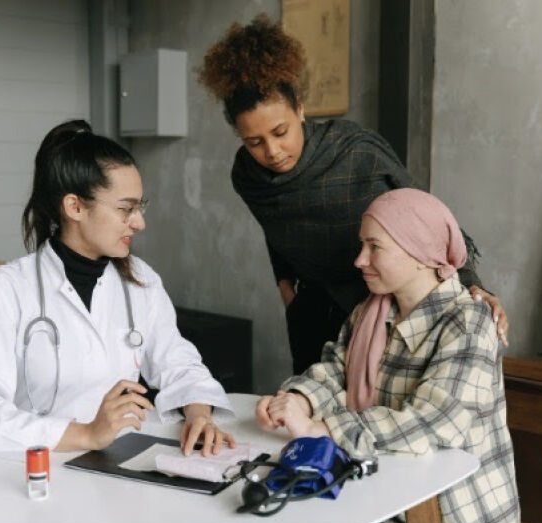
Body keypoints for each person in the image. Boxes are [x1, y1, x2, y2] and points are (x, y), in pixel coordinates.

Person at [198, 15, 509, 375]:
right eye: (254, 141)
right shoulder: (247, 175)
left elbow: (427, 221)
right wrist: (285, 286)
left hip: (379, 299)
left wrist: (473, 285)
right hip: (312, 308)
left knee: (373, 406)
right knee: (310, 401)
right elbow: (276, 230)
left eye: (281, 131)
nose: (272, 151)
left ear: (300, 108)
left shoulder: (354, 151)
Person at [0, 120, 235, 456]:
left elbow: (178, 362)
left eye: (140, 207)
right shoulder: (4, 291)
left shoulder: (140, 280)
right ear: (75, 207)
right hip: (37, 470)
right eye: (125, 209)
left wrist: (199, 414)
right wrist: (86, 434)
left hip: (121, 462)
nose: (139, 222)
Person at [255, 188, 520, 523]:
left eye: (374, 247)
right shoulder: (371, 310)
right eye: (362, 245)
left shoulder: (469, 322)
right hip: (384, 489)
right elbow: (337, 370)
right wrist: (296, 401)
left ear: (420, 254)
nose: (359, 260)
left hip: (447, 511)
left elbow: (436, 422)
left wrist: (324, 429)